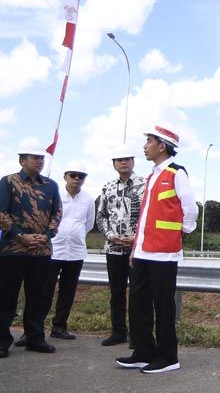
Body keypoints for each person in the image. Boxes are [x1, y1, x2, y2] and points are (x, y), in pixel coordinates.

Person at [116, 125, 197, 374]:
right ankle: (144, 352)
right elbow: (145, 218)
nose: (145, 146)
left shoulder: (176, 173)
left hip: (164, 253)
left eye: (149, 141)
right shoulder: (152, 176)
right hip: (143, 252)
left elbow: (190, 209)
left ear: (162, 146)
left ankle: (168, 357)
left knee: (163, 307)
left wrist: (179, 233)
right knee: (138, 304)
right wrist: (135, 248)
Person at [0, 143, 62, 359]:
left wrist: (46, 235)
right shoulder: (8, 182)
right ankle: (1, 341)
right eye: (34, 157)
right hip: (13, 250)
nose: (39, 161)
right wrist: (20, 235)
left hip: (41, 251)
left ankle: (35, 338)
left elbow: (57, 213)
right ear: (22, 160)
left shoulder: (51, 185)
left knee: (37, 297)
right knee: (7, 297)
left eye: (41, 158)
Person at [96, 147, 145, 346]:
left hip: (137, 250)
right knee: (116, 293)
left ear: (133, 161)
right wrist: (110, 236)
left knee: (138, 294)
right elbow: (101, 216)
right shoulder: (107, 187)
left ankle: (137, 336)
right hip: (113, 249)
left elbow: (149, 216)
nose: (123, 162)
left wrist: (136, 238)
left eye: (127, 159)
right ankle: (118, 332)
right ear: (114, 164)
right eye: (119, 160)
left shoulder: (145, 185)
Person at [41, 163, 95, 340]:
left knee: (68, 292)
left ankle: (59, 327)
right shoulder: (55, 196)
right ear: (65, 176)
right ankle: (34, 330)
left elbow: (89, 224)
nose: (77, 178)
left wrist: (76, 235)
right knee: (44, 291)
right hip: (53, 250)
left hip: (75, 252)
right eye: (73, 175)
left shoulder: (88, 199)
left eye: (81, 176)